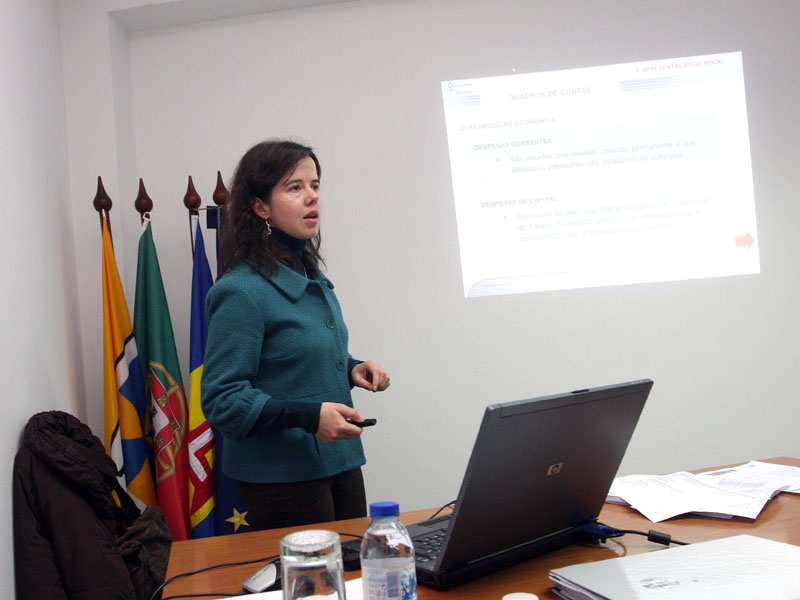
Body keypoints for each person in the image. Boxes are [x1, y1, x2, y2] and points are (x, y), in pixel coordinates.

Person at [201, 139, 390, 530]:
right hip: (283, 477)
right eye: (295, 187)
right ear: (260, 207)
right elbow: (222, 399)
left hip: (341, 460)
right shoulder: (240, 291)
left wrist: (351, 368)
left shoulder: (310, 276)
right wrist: (309, 416)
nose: (312, 197)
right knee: (318, 574)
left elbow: (292, 359)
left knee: (357, 567)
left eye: (315, 185)